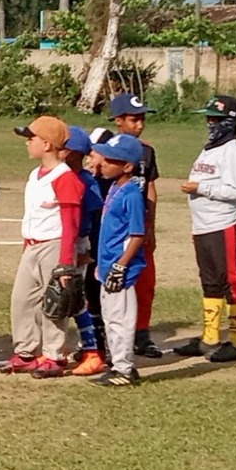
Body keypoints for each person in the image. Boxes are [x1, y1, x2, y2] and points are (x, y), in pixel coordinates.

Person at [3, 115, 83, 378]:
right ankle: (26, 351)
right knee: (22, 299)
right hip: (33, 245)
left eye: (31, 138)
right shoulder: (35, 175)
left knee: (54, 302)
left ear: (47, 144)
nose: (27, 143)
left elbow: (71, 223)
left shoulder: (64, 177)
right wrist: (27, 244)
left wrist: (66, 263)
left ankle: (54, 355)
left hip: (54, 245)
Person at [177, 95, 236, 363]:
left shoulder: (232, 150)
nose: (210, 123)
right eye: (208, 118)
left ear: (229, 121)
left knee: (230, 280)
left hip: (222, 225)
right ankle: (210, 337)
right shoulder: (210, 148)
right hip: (202, 226)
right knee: (209, 282)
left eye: (215, 118)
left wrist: (201, 188)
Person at [108, 92, 166, 358]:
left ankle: (141, 333)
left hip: (138, 224)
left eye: (142, 119)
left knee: (145, 279)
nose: (140, 124)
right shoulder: (107, 150)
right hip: (115, 225)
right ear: (118, 120)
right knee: (111, 278)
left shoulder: (146, 151)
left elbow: (150, 188)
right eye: (134, 119)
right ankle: (108, 335)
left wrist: (150, 225)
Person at [91, 133, 150, 388]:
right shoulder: (115, 187)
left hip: (120, 267)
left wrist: (120, 265)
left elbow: (138, 235)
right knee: (110, 317)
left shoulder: (133, 194)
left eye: (110, 160)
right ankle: (119, 364)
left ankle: (123, 369)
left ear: (127, 166)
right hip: (107, 265)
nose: (103, 163)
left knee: (120, 319)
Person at [63, 126, 109, 378]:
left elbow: (94, 220)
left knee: (75, 298)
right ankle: (58, 349)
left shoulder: (87, 182)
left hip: (78, 244)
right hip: (59, 243)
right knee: (59, 298)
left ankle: (93, 350)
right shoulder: (58, 176)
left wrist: (90, 252)